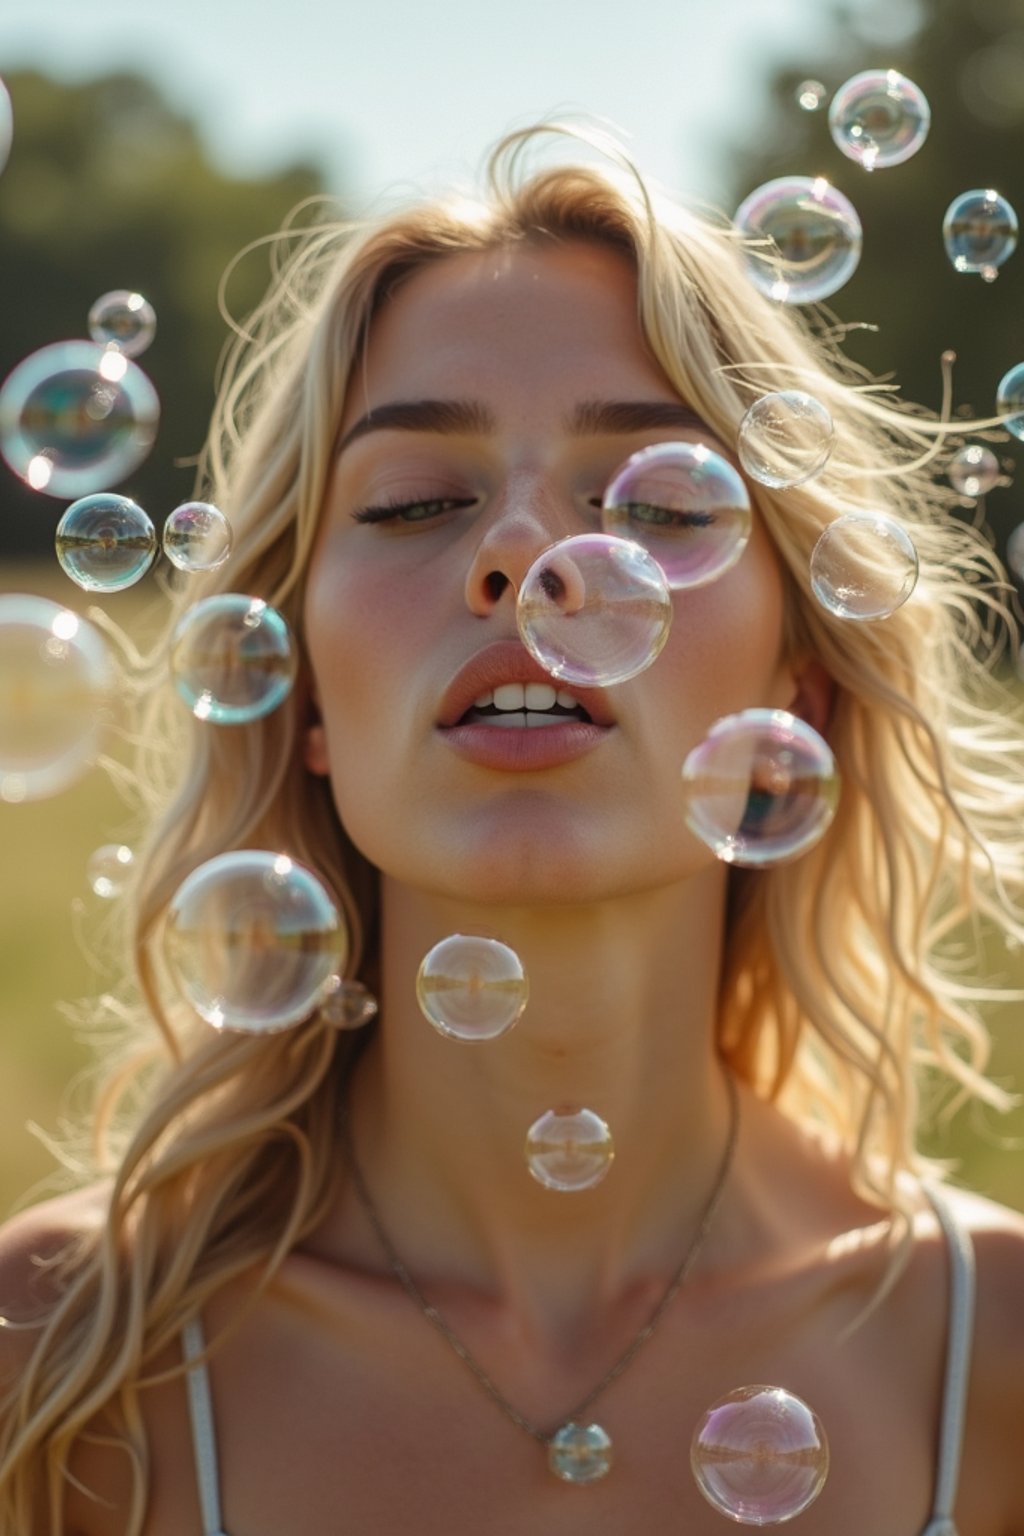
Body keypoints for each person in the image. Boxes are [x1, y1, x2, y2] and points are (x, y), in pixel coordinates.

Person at [1, 118, 1024, 1536]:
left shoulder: (993, 1355)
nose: (525, 557)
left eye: (658, 501)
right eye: (417, 499)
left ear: (803, 679)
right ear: (287, 683)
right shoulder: (54, 1359)